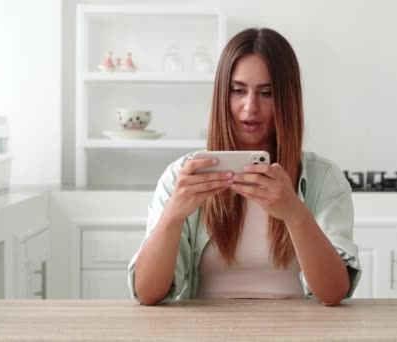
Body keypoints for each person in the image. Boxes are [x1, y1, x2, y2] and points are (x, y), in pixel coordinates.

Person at [127, 27, 361, 306]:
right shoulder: (182, 175)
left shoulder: (324, 177)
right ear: (221, 96)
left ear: (287, 99)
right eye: (238, 91)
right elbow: (148, 293)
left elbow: (333, 293)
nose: (250, 107)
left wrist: (295, 214)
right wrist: (173, 217)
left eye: (266, 93)